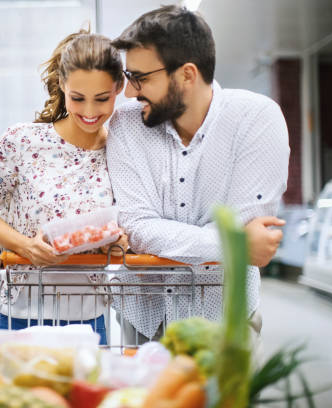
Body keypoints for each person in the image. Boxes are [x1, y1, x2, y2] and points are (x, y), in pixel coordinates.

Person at [106, 6, 289, 345]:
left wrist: (235, 239)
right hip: (144, 319)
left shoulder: (256, 119)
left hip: (227, 319)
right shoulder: (125, 124)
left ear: (187, 75)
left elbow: (249, 224)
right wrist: (230, 244)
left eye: (140, 78)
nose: (129, 93)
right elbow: (135, 225)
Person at [0, 29, 128, 345]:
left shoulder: (122, 150)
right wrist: (25, 246)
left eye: (102, 99)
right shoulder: (23, 141)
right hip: (15, 313)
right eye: (78, 98)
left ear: (118, 88)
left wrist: (118, 242)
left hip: (88, 318)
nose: (91, 112)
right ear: (63, 85)